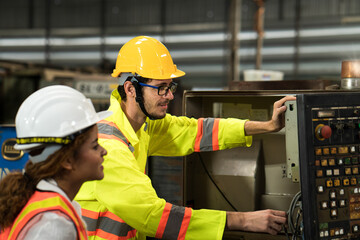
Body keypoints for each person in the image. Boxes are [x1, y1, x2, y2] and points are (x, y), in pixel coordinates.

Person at [75, 36, 295, 240]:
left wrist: (267, 125)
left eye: (170, 87)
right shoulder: (107, 147)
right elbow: (153, 215)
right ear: (131, 89)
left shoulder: (142, 127)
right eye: (161, 88)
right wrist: (243, 220)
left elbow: (195, 131)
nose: (170, 95)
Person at [0, 85, 112, 240]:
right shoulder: (54, 225)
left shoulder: (43, 203)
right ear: (67, 160)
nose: (104, 151)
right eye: (94, 145)